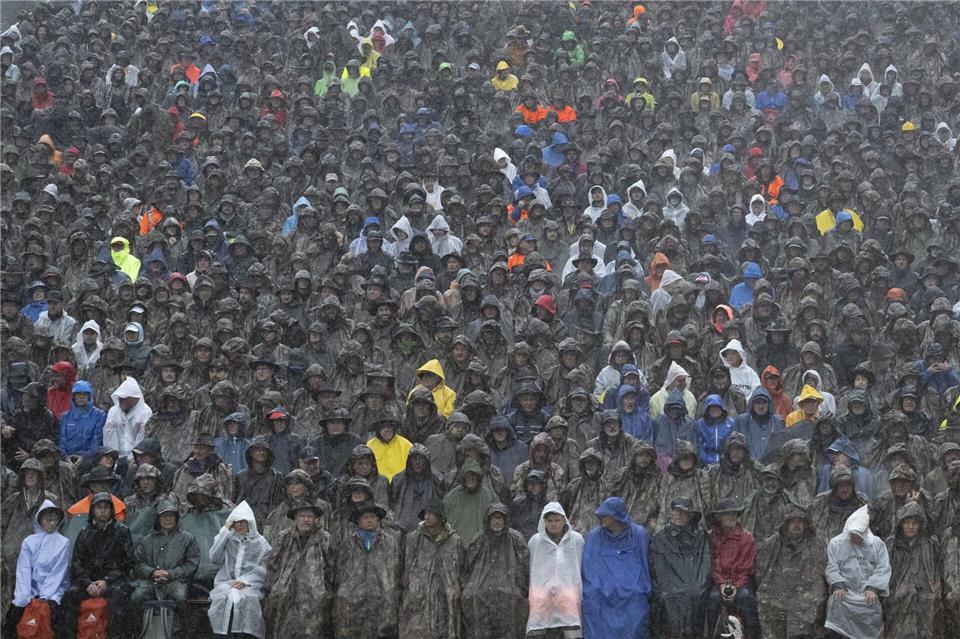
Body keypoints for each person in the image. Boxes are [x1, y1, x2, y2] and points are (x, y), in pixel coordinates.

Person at [63, 492, 137, 638]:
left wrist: (107, 580)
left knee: (118, 601)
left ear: (112, 510)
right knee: (69, 597)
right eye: (98, 507)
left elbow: (128, 562)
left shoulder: (122, 531)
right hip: (88, 582)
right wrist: (87, 583)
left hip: (115, 581)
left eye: (106, 507)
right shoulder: (84, 533)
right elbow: (77, 563)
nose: (102, 510)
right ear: (92, 510)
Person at [581, 496, 651, 639]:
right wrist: (601, 585)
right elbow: (589, 567)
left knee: (637, 597)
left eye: (606, 514)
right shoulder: (594, 536)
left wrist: (636, 585)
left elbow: (642, 564)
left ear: (617, 515)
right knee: (592, 597)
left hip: (631, 585)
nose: (602, 517)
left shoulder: (638, 534)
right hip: (601, 585)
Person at [755, 504, 828, 639]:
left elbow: (825, 574)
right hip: (775, 598)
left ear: (806, 524)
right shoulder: (772, 543)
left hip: (807, 601)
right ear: (786, 524)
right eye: (792, 521)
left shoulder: (817, 545)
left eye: (800, 521)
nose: (796, 525)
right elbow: (760, 572)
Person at [330, 500, 401, 638]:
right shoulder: (347, 544)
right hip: (351, 606)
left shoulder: (390, 542)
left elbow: (397, 572)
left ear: (378, 520)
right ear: (358, 521)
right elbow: (337, 574)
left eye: (373, 517)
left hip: (383, 604)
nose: (369, 520)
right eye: (365, 517)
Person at [264, 501, 332, 639]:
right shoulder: (284, 537)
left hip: (314, 599)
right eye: (302, 516)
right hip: (284, 597)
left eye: (309, 516)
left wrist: (326, 593)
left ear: (315, 519)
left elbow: (332, 568)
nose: (306, 519)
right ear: (295, 518)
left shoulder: (325, 539)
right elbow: (272, 564)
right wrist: (273, 588)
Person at [461, 503, 530, 639]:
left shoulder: (516, 538)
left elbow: (525, 565)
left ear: (506, 520)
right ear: (488, 520)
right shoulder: (479, 538)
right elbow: (468, 565)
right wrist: (466, 587)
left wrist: (522, 587)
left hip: (510, 590)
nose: (497, 521)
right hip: (480, 590)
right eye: (494, 517)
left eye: (500, 518)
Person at [398, 501, 464, 639]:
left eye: (431, 513)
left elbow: (461, 569)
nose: (427, 517)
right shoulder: (412, 539)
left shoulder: (454, 541)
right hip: (418, 598)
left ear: (441, 517)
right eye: (425, 514)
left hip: (446, 598)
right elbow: (405, 567)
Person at [3, 500, 69, 637]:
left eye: (54, 519)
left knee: (51, 613)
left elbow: (58, 573)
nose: (51, 523)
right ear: (40, 520)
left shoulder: (63, 543)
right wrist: (24, 595)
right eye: (47, 519)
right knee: (17, 609)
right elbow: (24, 569)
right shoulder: (29, 541)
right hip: (30, 589)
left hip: (54, 590)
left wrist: (45, 596)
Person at [824, 505, 891, 639]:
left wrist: (873, 587)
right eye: (853, 534)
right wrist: (838, 584)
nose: (856, 538)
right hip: (844, 597)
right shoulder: (836, 544)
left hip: (868, 598)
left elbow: (883, 568)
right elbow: (832, 567)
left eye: (859, 534)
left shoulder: (877, 545)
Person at [208, 501, 272, 639]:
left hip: (251, 586)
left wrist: (246, 580)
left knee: (247, 605)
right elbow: (214, 558)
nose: (240, 525)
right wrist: (224, 532)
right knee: (223, 606)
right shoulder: (228, 539)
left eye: (243, 521)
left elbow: (264, 567)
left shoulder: (260, 543)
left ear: (250, 523)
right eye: (236, 522)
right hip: (226, 584)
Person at [649, 498, 711, 639]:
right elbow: (658, 569)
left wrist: (693, 586)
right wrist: (672, 587)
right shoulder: (661, 537)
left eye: (683, 512)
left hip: (693, 585)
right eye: (676, 511)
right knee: (665, 598)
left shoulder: (701, 536)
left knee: (696, 595)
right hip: (669, 586)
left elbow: (704, 566)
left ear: (690, 515)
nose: (679, 514)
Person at [526, 502, 585, 639]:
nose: (553, 524)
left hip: (568, 599)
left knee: (572, 632)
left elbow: (581, 565)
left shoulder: (576, 540)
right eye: (549, 521)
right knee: (540, 631)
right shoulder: (535, 541)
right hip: (542, 599)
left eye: (557, 520)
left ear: (564, 519)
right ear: (544, 521)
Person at [131, 498, 200, 613]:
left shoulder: (188, 539)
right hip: (150, 582)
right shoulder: (146, 540)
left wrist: (170, 574)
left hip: (176, 582)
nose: (168, 519)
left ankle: (178, 630)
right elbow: (137, 563)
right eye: (164, 516)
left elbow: (192, 564)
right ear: (158, 519)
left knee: (180, 597)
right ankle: (141, 630)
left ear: (176, 518)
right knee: (137, 597)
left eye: (171, 516)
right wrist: (152, 572)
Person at [705, 499, 759, 639]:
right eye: (727, 514)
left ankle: (750, 635)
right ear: (719, 517)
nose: (731, 517)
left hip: (741, 581)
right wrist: (722, 583)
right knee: (713, 599)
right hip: (718, 582)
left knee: (746, 598)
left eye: (734, 513)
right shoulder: (710, 536)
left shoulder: (747, 538)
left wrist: (735, 586)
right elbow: (712, 563)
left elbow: (746, 567)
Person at [103, 376, 152, 460]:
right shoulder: (113, 411)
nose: (121, 401)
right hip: (115, 456)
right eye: (120, 398)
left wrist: (134, 458)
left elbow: (142, 438)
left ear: (134, 398)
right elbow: (109, 436)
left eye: (125, 398)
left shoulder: (145, 412)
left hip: (137, 458)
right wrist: (113, 457)